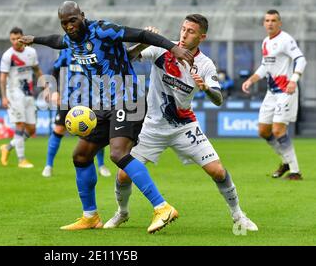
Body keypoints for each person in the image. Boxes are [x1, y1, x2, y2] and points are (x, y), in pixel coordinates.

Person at [19, 1, 194, 233]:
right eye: (64, 23)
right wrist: (35, 39)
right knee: (81, 155)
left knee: (118, 153)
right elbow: (56, 40)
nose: (69, 26)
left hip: (128, 98)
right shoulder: (70, 40)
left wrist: (174, 48)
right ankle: (90, 216)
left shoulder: (102, 30)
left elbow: (141, 34)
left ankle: (162, 207)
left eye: (73, 20)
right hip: (102, 104)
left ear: (82, 16)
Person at [103, 15, 258, 232]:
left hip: (184, 127)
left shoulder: (205, 64)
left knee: (218, 171)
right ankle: (122, 212)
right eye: (183, 29)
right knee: (123, 174)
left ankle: (238, 215)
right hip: (152, 127)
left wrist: (205, 89)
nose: (184, 34)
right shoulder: (162, 48)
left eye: (191, 31)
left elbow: (218, 99)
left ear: (202, 37)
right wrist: (144, 42)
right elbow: (128, 57)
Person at [242, 9, 307, 180]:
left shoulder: (286, 39)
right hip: (271, 93)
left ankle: (295, 171)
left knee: (278, 130)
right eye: (267, 20)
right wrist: (251, 80)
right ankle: (285, 161)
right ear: (264, 23)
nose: (270, 23)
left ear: (280, 23)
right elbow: (265, 67)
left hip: (286, 90)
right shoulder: (265, 42)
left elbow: (301, 59)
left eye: (273, 20)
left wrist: (294, 79)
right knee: (264, 131)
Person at [42, 47, 111, 178]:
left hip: (90, 99)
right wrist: (54, 90)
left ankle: (101, 165)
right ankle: (48, 165)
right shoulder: (66, 50)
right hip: (68, 98)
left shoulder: (94, 49)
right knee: (58, 129)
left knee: (95, 133)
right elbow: (55, 70)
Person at [0, 27, 43, 168]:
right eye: (12, 39)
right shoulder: (8, 55)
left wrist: (46, 86)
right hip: (14, 93)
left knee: (31, 129)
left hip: (28, 93)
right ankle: (21, 159)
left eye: (17, 38)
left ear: (23, 37)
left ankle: (7, 147)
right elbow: (2, 78)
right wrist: (4, 97)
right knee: (20, 125)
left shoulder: (31, 52)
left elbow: (37, 69)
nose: (15, 41)